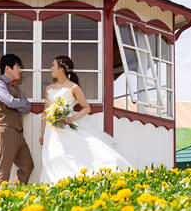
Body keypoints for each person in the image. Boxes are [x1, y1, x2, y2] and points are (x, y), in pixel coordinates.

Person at [39, 55, 132, 184]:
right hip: (51, 130)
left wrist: (71, 119)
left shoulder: (73, 88)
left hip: (66, 127)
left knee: (68, 155)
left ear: (61, 69)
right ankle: (53, 184)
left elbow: (86, 108)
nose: (51, 68)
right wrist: (43, 133)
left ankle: (73, 181)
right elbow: (45, 111)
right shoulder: (49, 89)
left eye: (53, 65)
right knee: (53, 157)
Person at [0, 53, 34, 190]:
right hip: (4, 129)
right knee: (4, 166)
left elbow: (27, 107)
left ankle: (15, 196)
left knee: (27, 165)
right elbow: (10, 102)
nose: (20, 71)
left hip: (18, 131)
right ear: (7, 68)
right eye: (18, 67)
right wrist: (19, 103)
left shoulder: (16, 87)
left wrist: (17, 103)